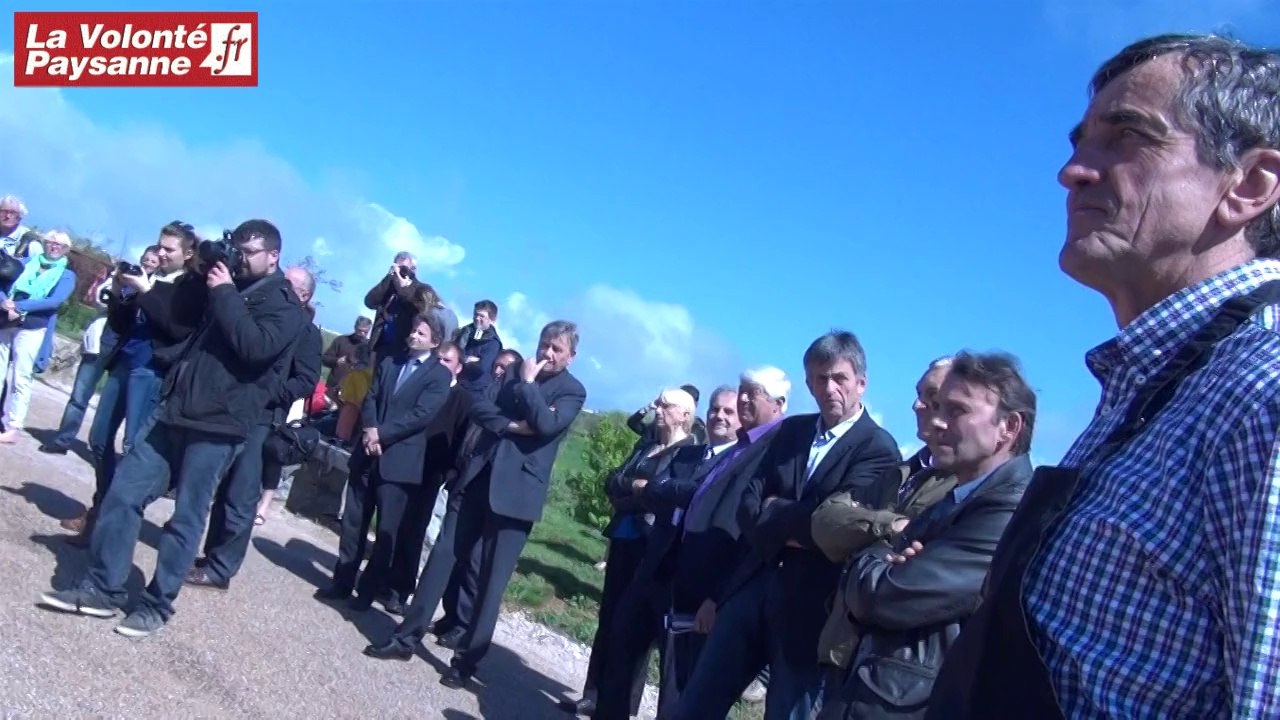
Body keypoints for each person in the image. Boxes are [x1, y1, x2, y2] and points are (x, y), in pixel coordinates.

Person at [928, 34, 1280, 719]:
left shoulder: (1262, 394)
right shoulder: (1152, 386)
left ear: (1250, 185)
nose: (1072, 172)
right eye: (1080, 142)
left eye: (1128, 137)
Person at [39, 219, 310, 639]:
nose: (240, 258)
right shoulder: (222, 281)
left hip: (220, 424)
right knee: (124, 493)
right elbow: (179, 318)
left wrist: (224, 292)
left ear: (273, 255)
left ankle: (156, 605)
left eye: (249, 252)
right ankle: (104, 587)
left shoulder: (285, 305)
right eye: (236, 249)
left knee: (186, 518)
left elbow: (254, 347)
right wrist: (203, 274)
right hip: (174, 409)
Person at [363, 320, 586, 691]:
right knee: (441, 557)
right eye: (544, 344)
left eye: (556, 349)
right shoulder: (512, 371)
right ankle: (405, 638)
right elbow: (480, 407)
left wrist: (528, 385)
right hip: (476, 478)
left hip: (516, 496)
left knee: (488, 582)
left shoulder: (572, 391)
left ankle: (465, 663)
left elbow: (547, 425)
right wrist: (513, 426)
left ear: (570, 356)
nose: (547, 353)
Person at [0, 230, 77, 444]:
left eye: (59, 244)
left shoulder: (66, 275)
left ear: (66, 250)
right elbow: (3, 283)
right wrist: (5, 302)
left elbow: (54, 301)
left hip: (32, 327)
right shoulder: (25, 263)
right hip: (6, 321)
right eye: (51, 242)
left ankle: (14, 426)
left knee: (21, 376)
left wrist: (19, 306)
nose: (54, 246)